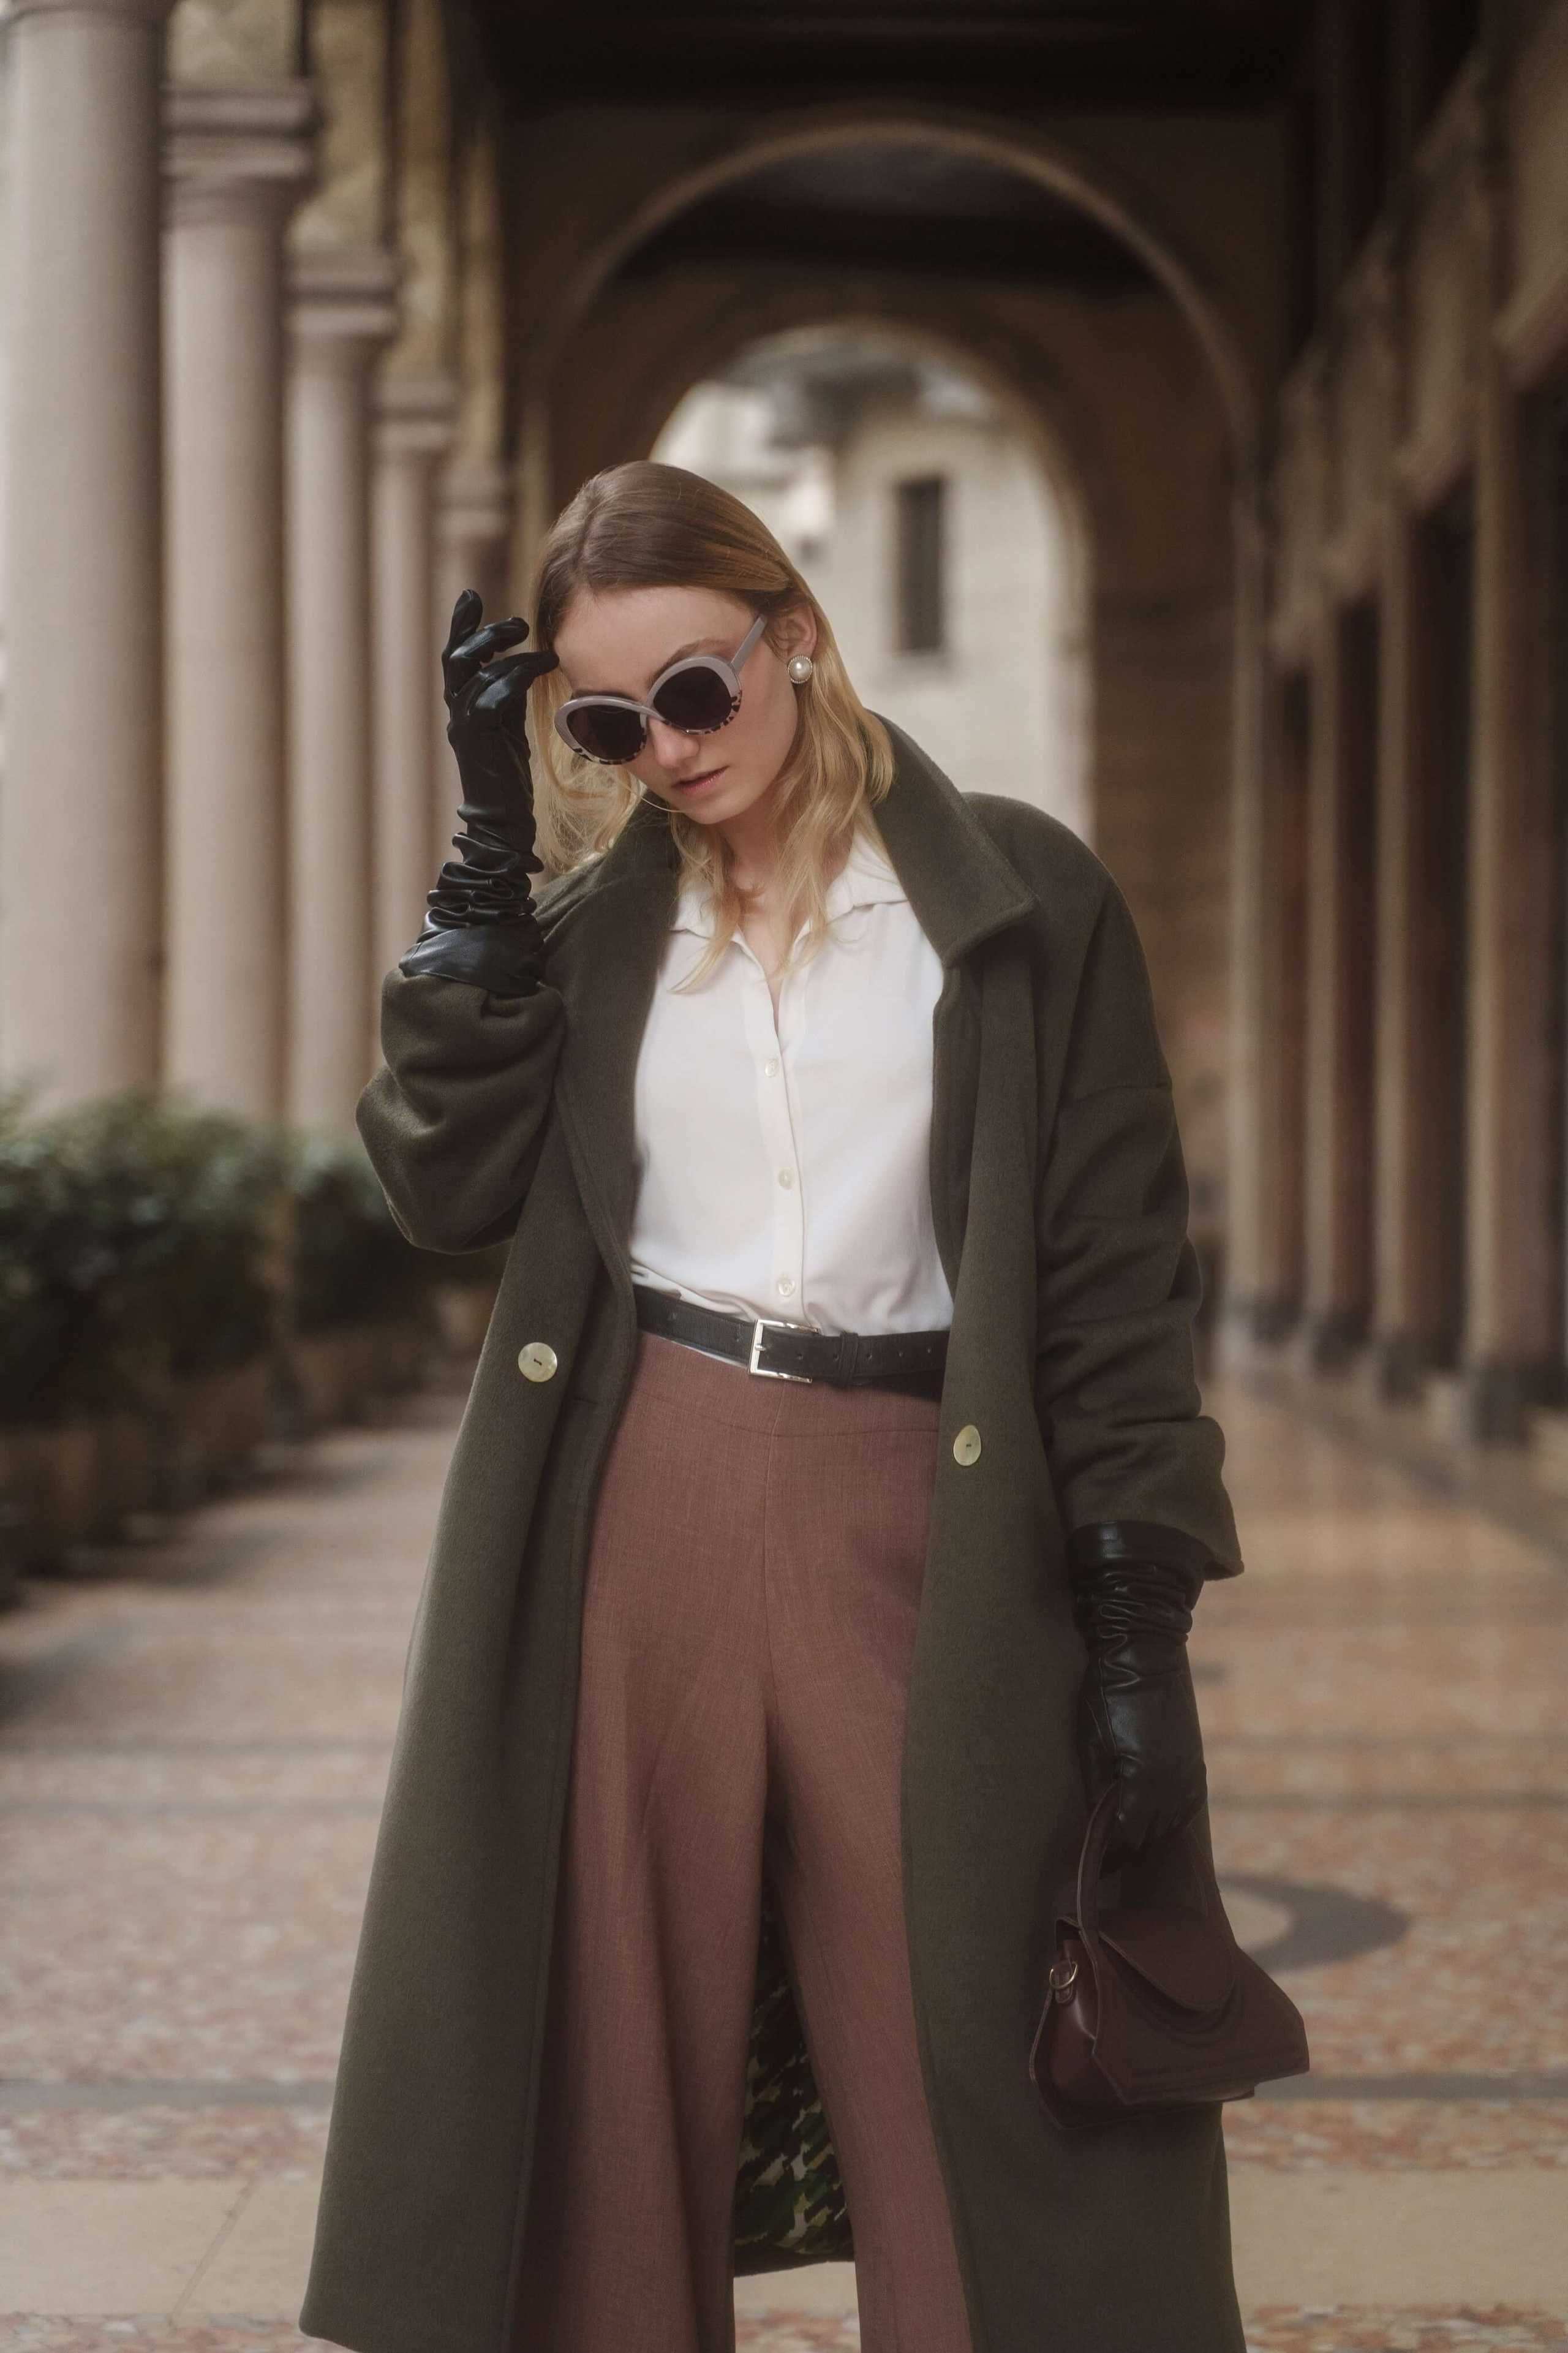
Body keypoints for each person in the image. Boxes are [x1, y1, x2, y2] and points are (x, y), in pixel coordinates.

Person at [298, 459, 1248, 2353]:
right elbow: (441, 1187)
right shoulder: (591, 929)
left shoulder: (1025, 898)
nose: (659, 748)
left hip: (924, 1516)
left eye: (694, 692)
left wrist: (1139, 1629)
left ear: (796, 637)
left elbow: (1116, 1296)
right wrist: (488, 863)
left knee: (966, 2051)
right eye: (600, 720)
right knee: (614, 2051)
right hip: (638, 1491)